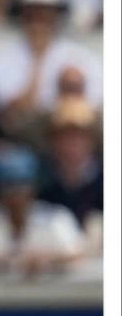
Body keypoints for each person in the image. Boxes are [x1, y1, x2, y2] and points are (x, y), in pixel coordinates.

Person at [0, 147, 83, 275]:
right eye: (9, 185)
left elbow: (78, 254)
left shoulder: (57, 217)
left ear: (34, 188)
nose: (16, 194)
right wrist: (12, 261)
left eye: (22, 185)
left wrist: (46, 260)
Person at [38, 99, 102, 231]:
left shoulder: (103, 181)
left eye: (80, 136)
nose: (73, 143)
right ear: (53, 141)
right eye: (65, 136)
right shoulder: (43, 182)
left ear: (92, 140)